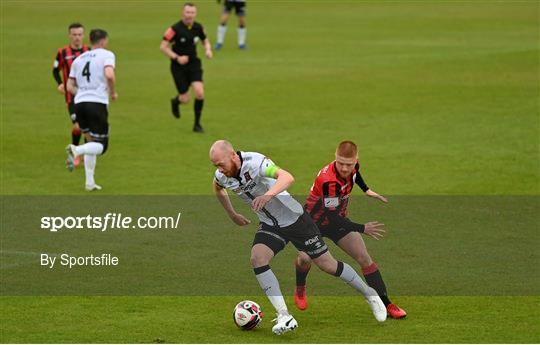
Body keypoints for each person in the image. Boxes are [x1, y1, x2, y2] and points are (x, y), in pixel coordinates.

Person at [210, 140, 387, 335]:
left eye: (221, 164)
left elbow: (286, 177)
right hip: (271, 225)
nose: (219, 169)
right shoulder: (222, 175)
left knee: (328, 265)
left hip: (295, 219)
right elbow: (218, 187)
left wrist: (267, 195)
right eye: (215, 165)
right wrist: (232, 214)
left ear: (233, 156)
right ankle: (284, 315)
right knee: (257, 258)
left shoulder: (256, 162)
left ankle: (369, 294)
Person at [294, 140, 407, 319]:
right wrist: (362, 228)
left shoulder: (353, 167)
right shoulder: (328, 181)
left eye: (349, 164)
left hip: (338, 221)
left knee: (364, 258)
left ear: (356, 160)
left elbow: (356, 174)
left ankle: (387, 304)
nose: (345, 169)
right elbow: (331, 216)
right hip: (312, 224)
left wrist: (366, 189)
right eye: (341, 164)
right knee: (304, 258)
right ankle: (300, 288)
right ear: (335, 159)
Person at [65, 29, 118, 191]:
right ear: (103, 41)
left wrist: (82, 93)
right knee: (102, 146)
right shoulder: (107, 54)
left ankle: (89, 182)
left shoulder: (79, 58)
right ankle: (76, 150)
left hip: (79, 103)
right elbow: (109, 75)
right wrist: (113, 91)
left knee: (91, 142)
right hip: (97, 103)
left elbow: (69, 86)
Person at [160, 2, 213, 133]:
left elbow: (205, 40)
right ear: (183, 13)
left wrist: (208, 49)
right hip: (178, 67)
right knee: (185, 99)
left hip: (194, 64)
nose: (190, 15)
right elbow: (163, 47)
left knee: (200, 93)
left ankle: (197, 124)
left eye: (192, 12)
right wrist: (177, 57)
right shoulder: (174, 29)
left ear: (195, 14)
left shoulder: (198, 27)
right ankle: (176, 102)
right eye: (187, 12)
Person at [52, 23, 90, 168]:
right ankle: (74, 152)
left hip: (87, 95)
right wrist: (60, 83)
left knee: (88, 127)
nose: (77, 38)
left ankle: (86, 154)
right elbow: (55, 70)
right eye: (74, 35)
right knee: (77, 127)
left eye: (79, 34)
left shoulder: (89, 51)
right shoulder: (62, 52)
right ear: (69, 35)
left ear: (83, 35)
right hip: (71, 97)